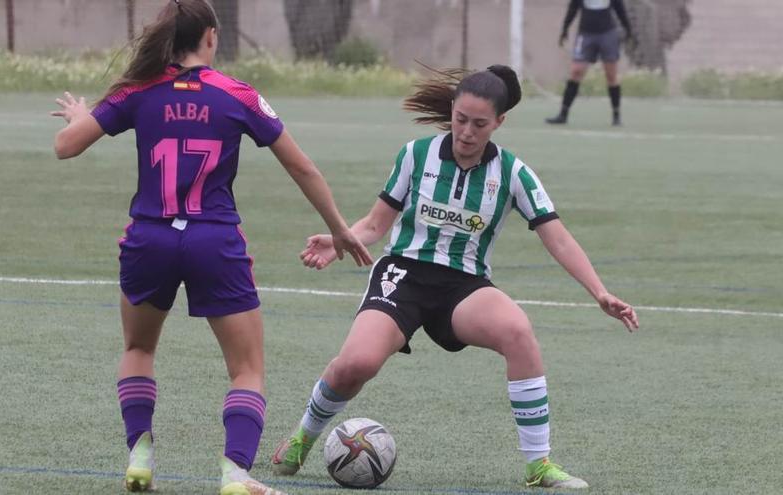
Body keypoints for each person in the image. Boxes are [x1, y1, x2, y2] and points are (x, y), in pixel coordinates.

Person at [50, 1, 372, 493]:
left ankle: (140, 452)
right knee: (246, 368)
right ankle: (235, 473)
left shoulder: (140, 90)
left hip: (149, 238)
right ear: (211, 37)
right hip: (213, 241)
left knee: (138, 348)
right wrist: (341, 228)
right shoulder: (237, 95)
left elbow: (65, 146)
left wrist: (82, 115)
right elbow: (302, 167)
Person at [270, 64, 639, 489]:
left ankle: (538, 465)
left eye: (479, 124)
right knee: (357, 363)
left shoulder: (515, 174)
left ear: (499, 122)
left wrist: (600, 292)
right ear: (451, 111)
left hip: (463, 287)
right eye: (460, 119)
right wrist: (340, 240)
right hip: (403, 276)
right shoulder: (415, 155)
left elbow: (558, 240)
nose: (466, 131)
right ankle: (303, 437)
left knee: (518, 331)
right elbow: (375, 225)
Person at [546, 0, 633, 126]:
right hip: (586, 34)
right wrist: (565, 29)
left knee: (611, 75)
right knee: (576, 71)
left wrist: (628, 30)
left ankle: (616, 115)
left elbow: (620, 9)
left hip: (607, 33)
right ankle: (563, 114)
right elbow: (573, 8)